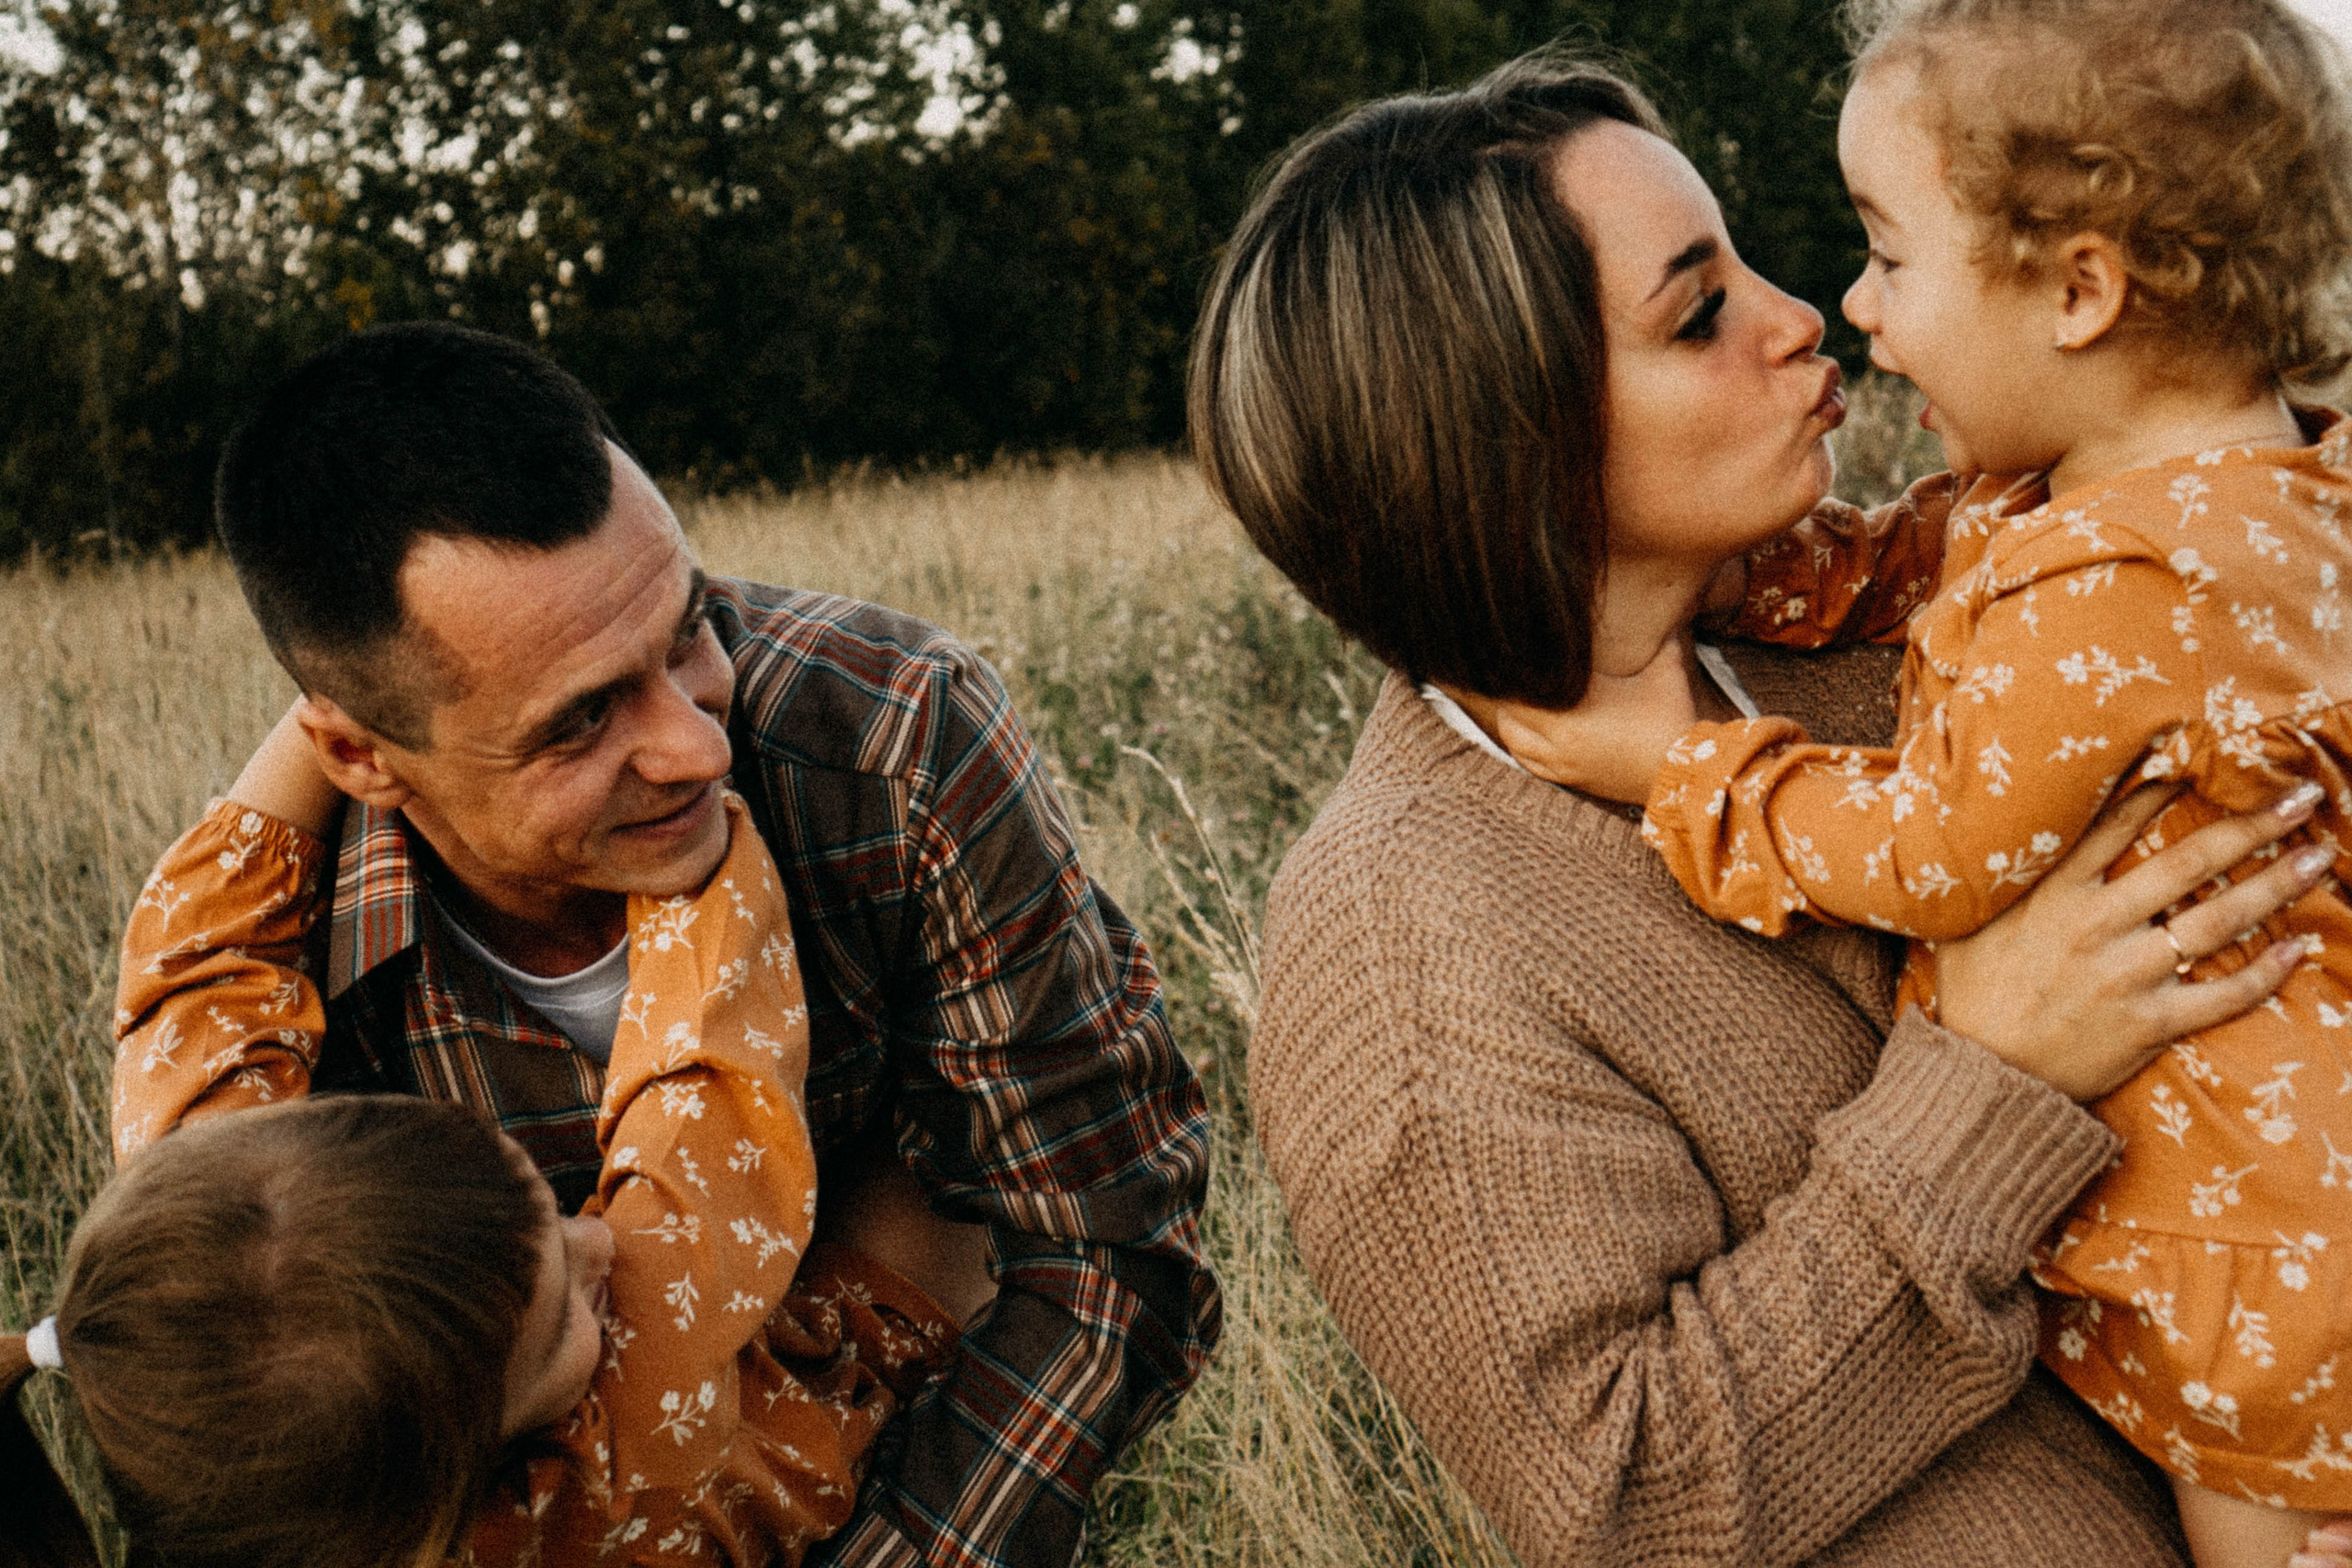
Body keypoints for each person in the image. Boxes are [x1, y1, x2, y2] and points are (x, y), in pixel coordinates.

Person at [1190, 48, 2352, 1568]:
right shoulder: (1403, 948)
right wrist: (1991, 1077)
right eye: (1699, 311)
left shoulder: (1927, 619)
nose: (1805, 314)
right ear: (1502, 442)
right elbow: (1627, 1502)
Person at [100, 321, 1218, 1568]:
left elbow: (1104, 1240)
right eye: (579, 719)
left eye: (687, 628)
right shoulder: (290, 1011)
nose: (698, 746)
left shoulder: (894, 734)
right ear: (358, 752)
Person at [10, 785, 957, 1567]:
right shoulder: (620, 1472)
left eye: (545, 1207)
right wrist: (685, 842)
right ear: (444, 1489)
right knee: (933, 1178)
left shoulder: (222, 1321)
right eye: (557, 1332)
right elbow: (706, 1103)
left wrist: (324, 719)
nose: (596, 1238)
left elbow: (200, 968)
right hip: (794, 1408)